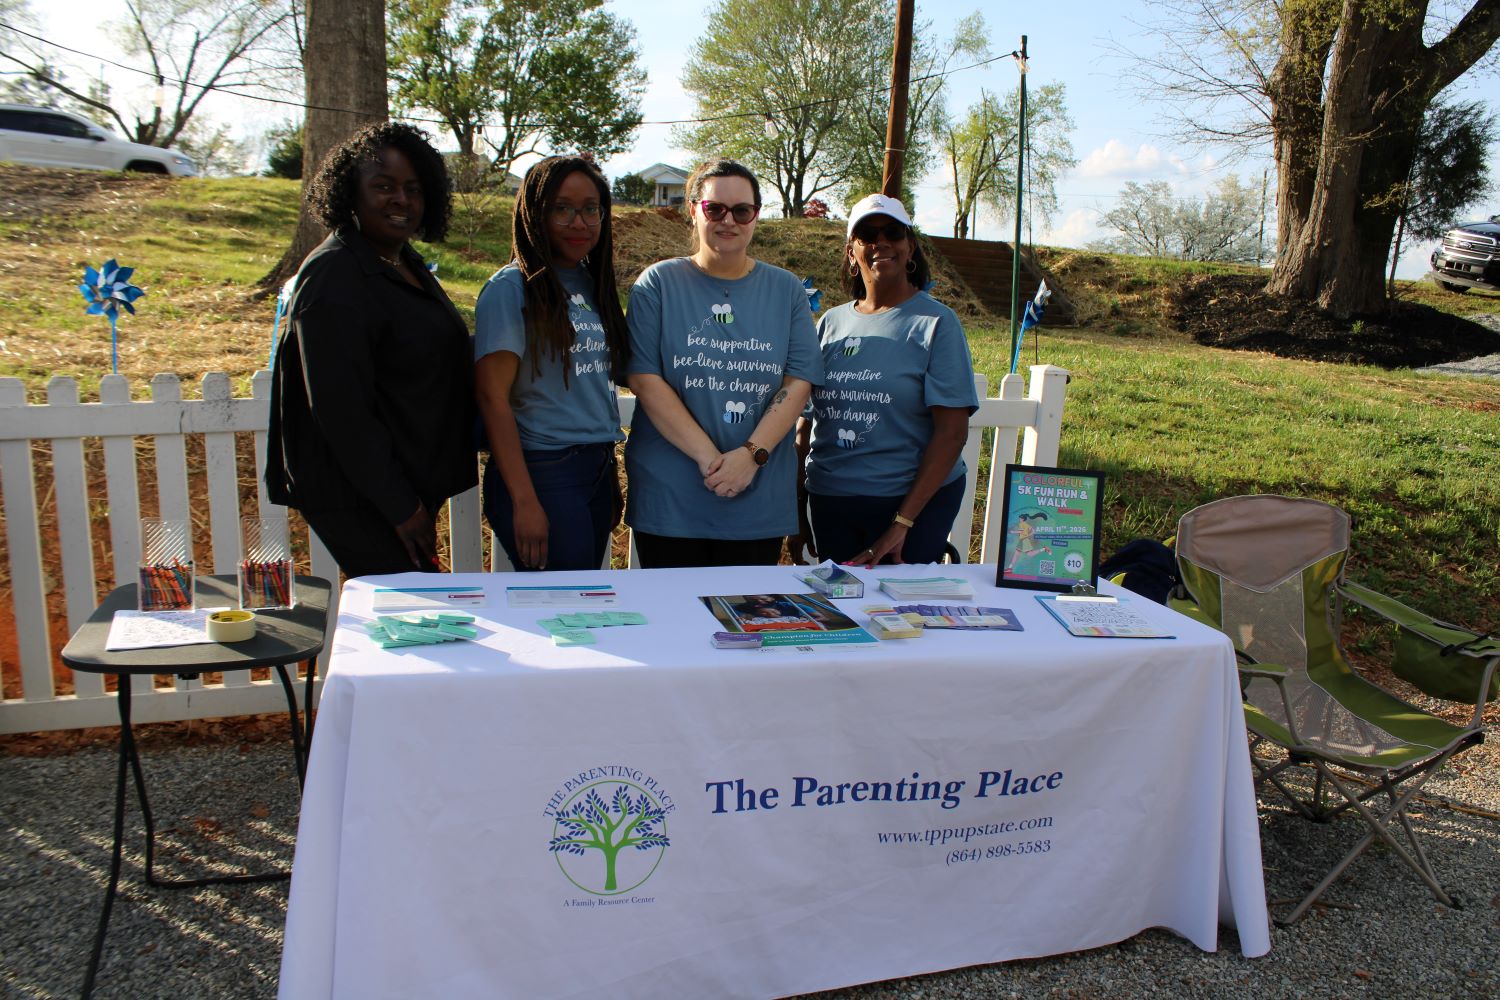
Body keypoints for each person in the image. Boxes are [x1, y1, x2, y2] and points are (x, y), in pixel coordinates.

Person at [266, 121, 476, 578]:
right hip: (361, 492)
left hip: (406, 479)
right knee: (409, 615)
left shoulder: (403, 261)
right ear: (350, 193)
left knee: (409, 614)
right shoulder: (333, 275)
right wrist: (401, 507)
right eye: (383, 186)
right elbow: (341, 409)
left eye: (414, 189)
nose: (401, 199)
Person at [623, 158, 823, 568]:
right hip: (671, 498)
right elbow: (645, 378)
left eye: (742, 210)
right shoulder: (657, 284)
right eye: (715, 208)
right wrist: (710, 460)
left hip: (756, 497)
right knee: (673, 623)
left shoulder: (786, 290)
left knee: (744, 626)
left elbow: (799, 379)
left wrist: (751, 456)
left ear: (756, 216)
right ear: (694, 209)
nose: (728, 220)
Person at [799, 193, 979, 568]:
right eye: (867, 234)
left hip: (910, 506)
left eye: (893, 232)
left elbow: (951, 434)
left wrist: (902, 524)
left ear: (910, 247)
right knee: (844, 614)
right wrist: (796, 509)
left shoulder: (936, 324)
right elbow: (806, 422)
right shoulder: (830, 323)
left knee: (901, 617)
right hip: (832, 500)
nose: (881, 241)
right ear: (852, 253)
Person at [473, 156, 629, 571]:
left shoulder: (589, 282)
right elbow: (492, 398)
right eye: (562, 208)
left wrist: (607, 474)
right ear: (535, 213)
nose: (579, 222)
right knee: (564, 609)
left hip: (593, 466)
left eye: (590, 209)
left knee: (580, 606)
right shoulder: (511, 288)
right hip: (543, 471)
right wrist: (524, 500)